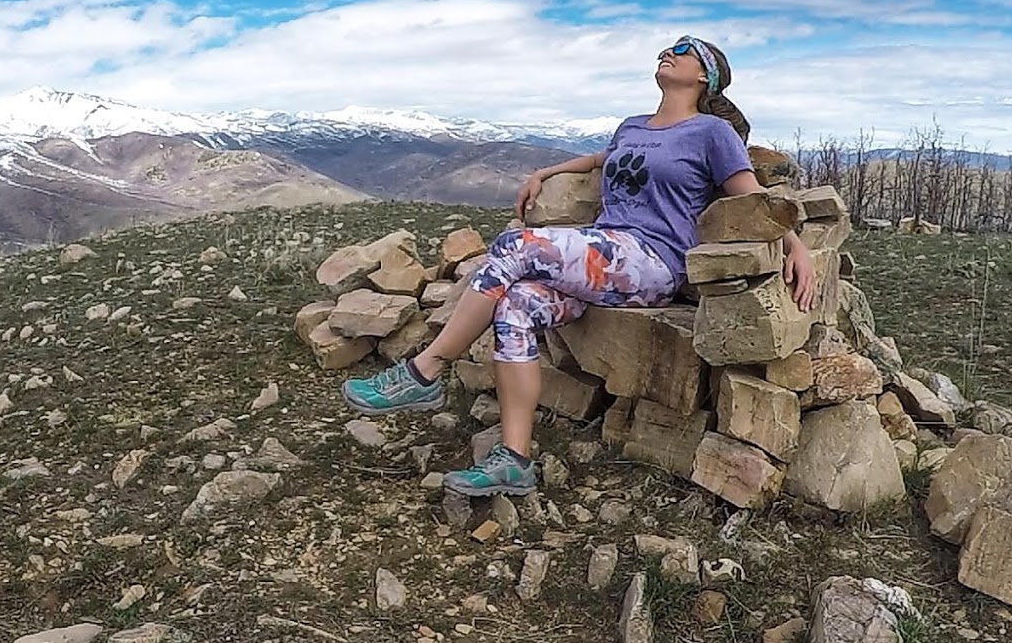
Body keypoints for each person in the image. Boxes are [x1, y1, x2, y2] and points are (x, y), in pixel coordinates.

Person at [341, 36, 816, 497]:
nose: (668, 53)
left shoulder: (712, 133)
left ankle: (426, 370)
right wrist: (543, 173)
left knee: (514, 247)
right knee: (517, 306)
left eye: (683, 51)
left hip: (651, 261)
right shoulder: (633, 126)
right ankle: (514, 460)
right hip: (603, 251)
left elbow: (750, 194)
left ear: (704, 78)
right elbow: (599, 159)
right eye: (669, 48)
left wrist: (795, 246)